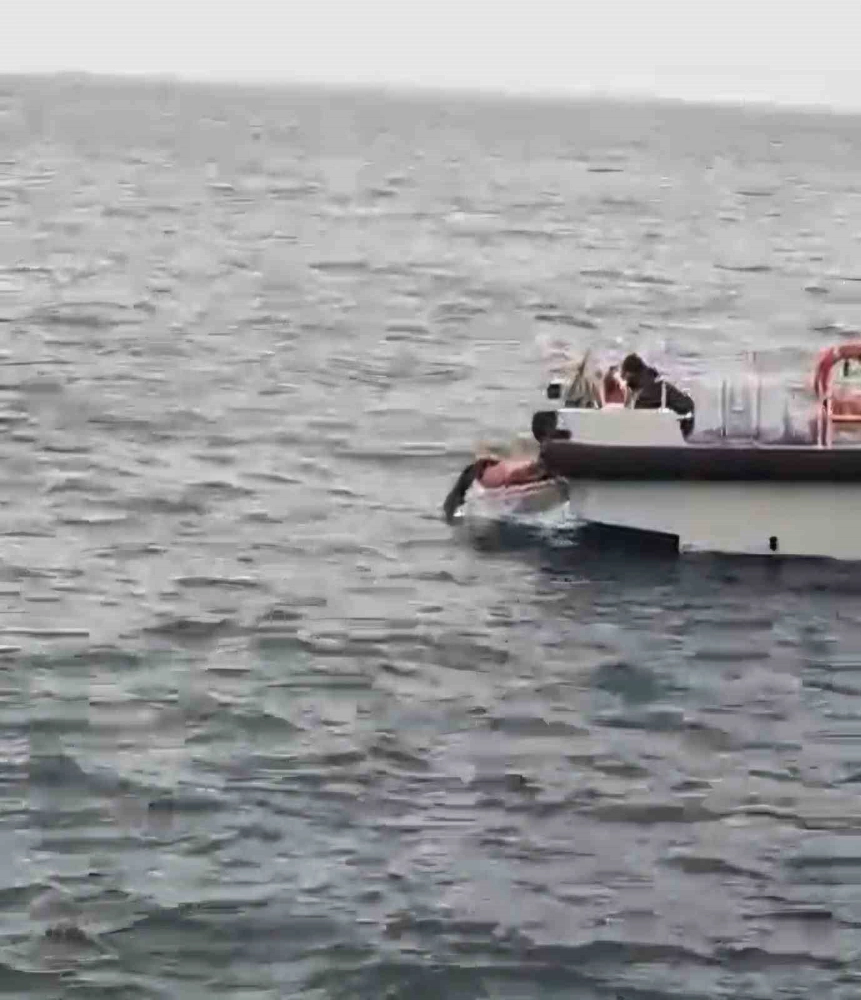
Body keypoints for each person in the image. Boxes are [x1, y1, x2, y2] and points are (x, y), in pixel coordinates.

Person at [620, 353, 695, 438]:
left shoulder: (658, 389)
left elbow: (688, 406)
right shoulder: (636, 388)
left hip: (665, 435)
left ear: (631, 373)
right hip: (646, 434)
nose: (623, 378)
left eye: (624, 374)